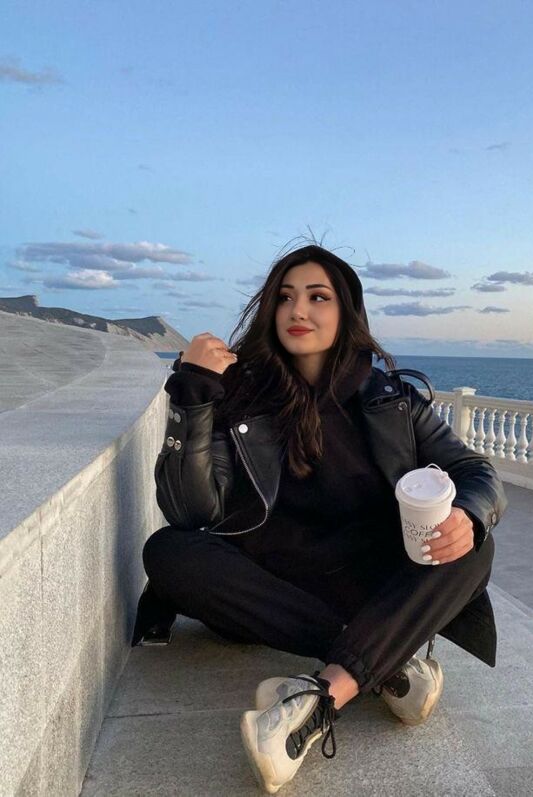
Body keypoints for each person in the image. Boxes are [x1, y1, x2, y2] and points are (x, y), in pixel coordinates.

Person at [132, 242, 508, 793]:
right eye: (285, 297)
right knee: (168, 551)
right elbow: (191, 511)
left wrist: (470, 517)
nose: (298, 310)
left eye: (317, 297)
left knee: (474, 545)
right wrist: (193, 395)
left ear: (346, 311)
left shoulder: (393, 401)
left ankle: (321, 696)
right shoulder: (237, 396)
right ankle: (383, 664)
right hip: (270, 588)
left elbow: (476, 473)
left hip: (368, 584)